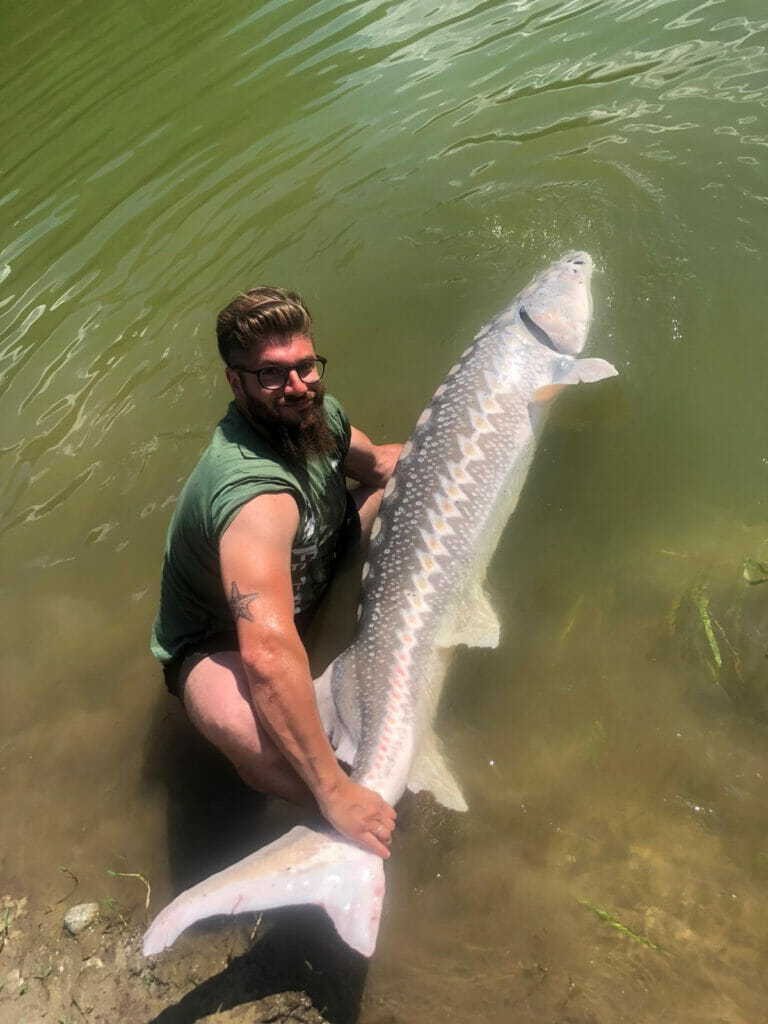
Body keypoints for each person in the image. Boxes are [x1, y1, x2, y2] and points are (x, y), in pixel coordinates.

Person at [151, 287, 401, 858]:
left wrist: (478, 438)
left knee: (402, 488)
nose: (297, 387)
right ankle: (352, 813)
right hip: (222, 641)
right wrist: (334, 791)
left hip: (321, 554)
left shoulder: (321, 415)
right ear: (234, 383)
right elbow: (264, 652)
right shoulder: (249, 493)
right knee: (243, 727)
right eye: (271, 375)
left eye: (305, 367)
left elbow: (384, 463)